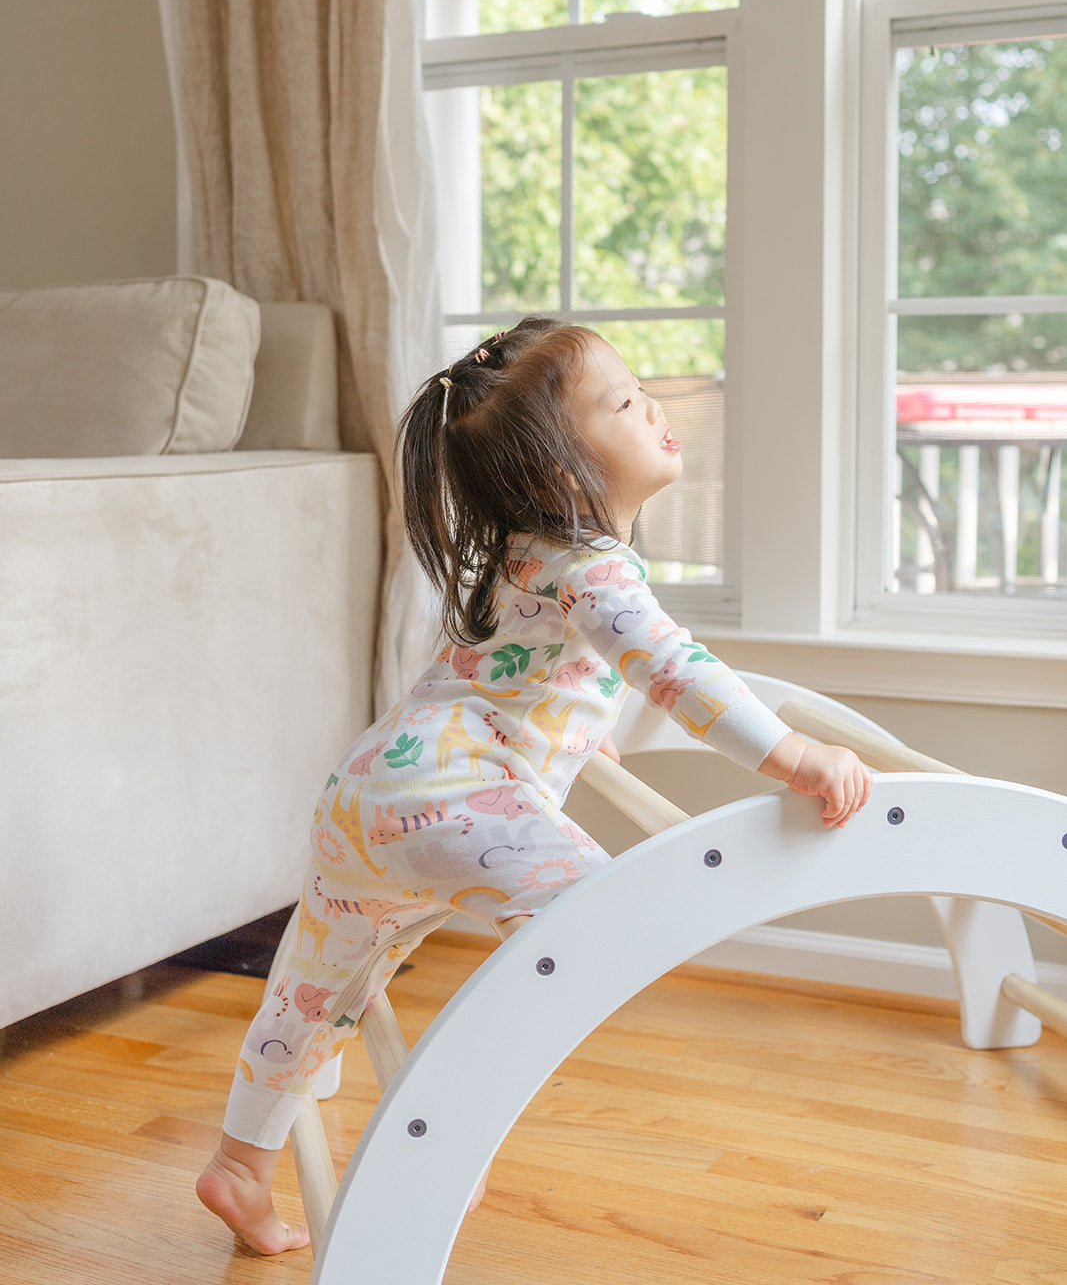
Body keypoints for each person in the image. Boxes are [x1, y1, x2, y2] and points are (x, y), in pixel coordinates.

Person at [196, 316, 872, 1253]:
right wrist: (791, 756)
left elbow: (504, 680)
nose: (655, 407)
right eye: (624, 403)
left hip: (363, 794)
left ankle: (237, 1166)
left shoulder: (517, 556)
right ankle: (447, 1137)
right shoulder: (596, 568)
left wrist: (577, 741)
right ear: (564, 474)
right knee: (602, 923)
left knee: (310, 995)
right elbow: (672, 669)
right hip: (455, 794)